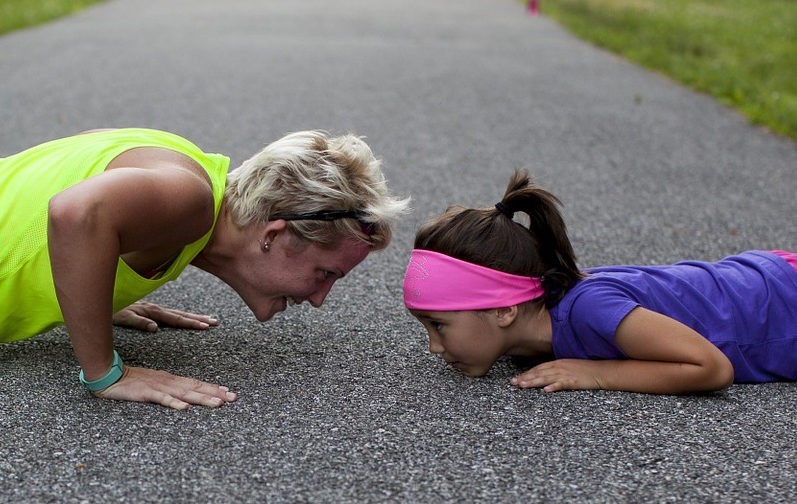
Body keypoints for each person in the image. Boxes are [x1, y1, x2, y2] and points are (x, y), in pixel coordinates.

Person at [1, 127, 409, 409]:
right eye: (325, 274)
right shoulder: (190, 200)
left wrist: (92, 290)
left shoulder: (181, 163)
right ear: (274, 235)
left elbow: (72, 158)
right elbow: (74, 211)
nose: (319, 299)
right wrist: (105, 373)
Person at [402, 169, 796, 395]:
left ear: (505, 309)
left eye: (439, 325)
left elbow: (711, 367)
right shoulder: (535, 326)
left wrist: (596, 374)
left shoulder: (590, 309)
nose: (434, 347)